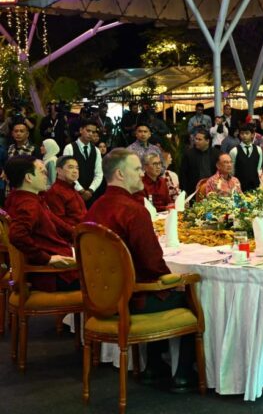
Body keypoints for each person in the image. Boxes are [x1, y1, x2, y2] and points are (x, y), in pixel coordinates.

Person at [84, 149, 197, 390]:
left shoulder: (95, 208)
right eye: (136, 169)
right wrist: (175, 279)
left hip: (100, 299)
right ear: (120, 174)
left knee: (160, 289)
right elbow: (152, 263)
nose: (141, 174)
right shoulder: (133, 211)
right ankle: (183, 374)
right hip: (131, 300)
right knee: (187, 296)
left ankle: (153, 366)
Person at [4, 156, 78, 292]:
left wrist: (79, 234)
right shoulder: (28, 204)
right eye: (42, 172)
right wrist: (46, 259)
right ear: (28, 178)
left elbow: (59, 224)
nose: (46, 176)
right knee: (109, 274)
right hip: (52, 275)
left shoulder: (21, 197)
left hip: (51, 270)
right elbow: (17, 235)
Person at [62, 119, 103, 207]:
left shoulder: (96, 150)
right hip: (73, 192)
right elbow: (67, 173)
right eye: (88, 130)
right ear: (81, 130)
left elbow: (99, 173)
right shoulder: (69, 148)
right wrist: (81, 190)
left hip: (91, 194)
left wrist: (90, 190)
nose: (90, 134)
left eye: (93, 132)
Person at [43, 155, 87, 228]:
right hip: (73, 232)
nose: (75, 171)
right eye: (71, 167)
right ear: (59, 170)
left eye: (77, 168)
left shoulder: (72, 188)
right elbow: (59, 222)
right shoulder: (55, 192)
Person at [179, 130, 221, 197]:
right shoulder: (189, 154)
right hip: (194, 191)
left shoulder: (216, 154)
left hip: (213, 190)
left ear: (207, 141)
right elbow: (183, 174)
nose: (196, 141)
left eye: (199, 139)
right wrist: (184, 191)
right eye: (196, 139)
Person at [229, 124, 263, 192]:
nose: (244, 135)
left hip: (255, 186)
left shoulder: (258, 149)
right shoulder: (234, 151)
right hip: (239, 187)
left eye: (247, 133)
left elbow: (259, 168)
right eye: (242, 133)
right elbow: (231, 171)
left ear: (252, 135)